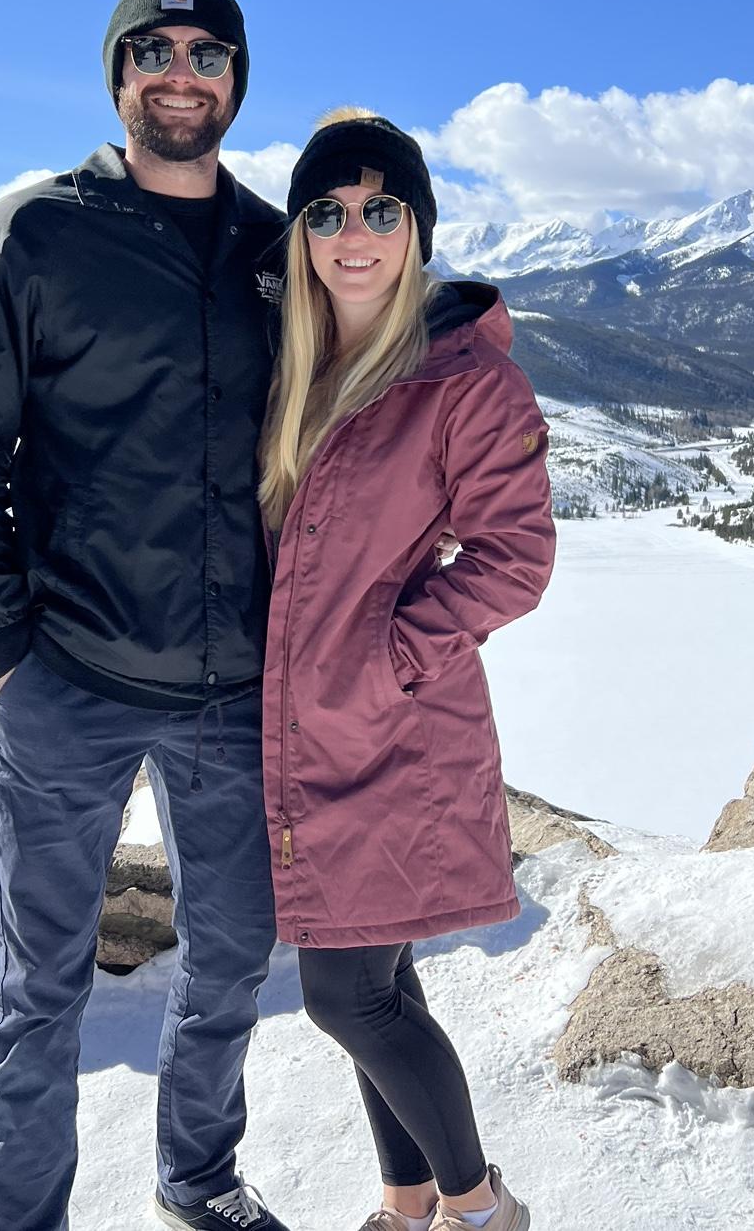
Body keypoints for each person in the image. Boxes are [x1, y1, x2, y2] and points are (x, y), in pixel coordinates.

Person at [0, 0, 294, 1231]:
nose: (182, 72)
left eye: (207, 53)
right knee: (41, 986)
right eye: (154, 49)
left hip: (235, 685)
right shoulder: (34, 234)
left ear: (236, 79)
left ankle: (197, 1177)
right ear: (117, 73)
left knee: (232, 960)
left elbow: (363, 377)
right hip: (67, 675)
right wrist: (8, 644)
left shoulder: (272, 249)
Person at [257, 109, 556, 1231]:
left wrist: (390, 655)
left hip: (393, 730)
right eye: (328, 211)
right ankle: (405, 1200)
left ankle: (481, 1209)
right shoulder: (296, 357)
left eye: (384, 210)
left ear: (417, 230)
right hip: (307, 724)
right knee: (375, 981)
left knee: (343, 994)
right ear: (301, 231)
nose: (355, 233)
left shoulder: (462, 378)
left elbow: (515, 557)